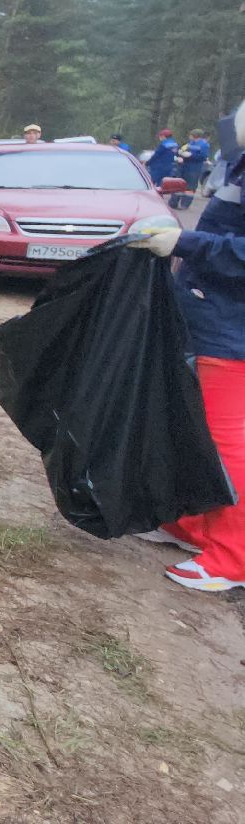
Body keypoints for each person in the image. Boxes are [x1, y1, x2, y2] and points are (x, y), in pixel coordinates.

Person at [132, 104, 245, 591]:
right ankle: (192, 525)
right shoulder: (239, 161)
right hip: (206, 314)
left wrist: (185, 243)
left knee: (227, 443)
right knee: (190, 428)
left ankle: (233, 557)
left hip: (233, 330)